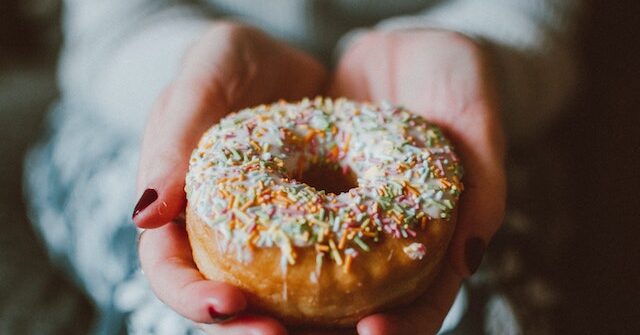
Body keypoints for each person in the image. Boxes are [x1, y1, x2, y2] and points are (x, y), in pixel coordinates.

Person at [25, 0, 580, 334]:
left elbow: (536, 12)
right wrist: (188, 72)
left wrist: (476, 54)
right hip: (163, 94)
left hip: (445, 109)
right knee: (166, 310)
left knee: (486, 302)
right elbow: (113, 25)